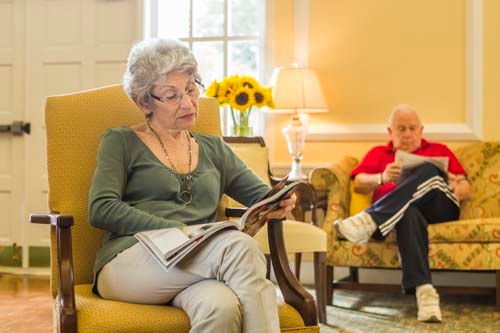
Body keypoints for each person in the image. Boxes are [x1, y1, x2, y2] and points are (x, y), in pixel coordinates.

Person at [88, 38, 296, 333]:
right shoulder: (120, 141)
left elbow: (261, 196)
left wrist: (280, 202)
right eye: (171, 96)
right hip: (130, 262)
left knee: (220, 306)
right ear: (144, 102)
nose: (187, 103)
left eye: (190, 89)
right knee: (240, 247)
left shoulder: (213, 148)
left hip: (196, 263)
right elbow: (101, 208)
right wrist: (177, 231)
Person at [334, 104, 470, 323]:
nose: (407, 134)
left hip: (440, 208)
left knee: (429, 170)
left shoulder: (440, 150)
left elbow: (465, 188)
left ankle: (370, 220)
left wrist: (452, 183)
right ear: (390, 132)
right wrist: (382, 177)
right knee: (408, 213)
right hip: (403, 215)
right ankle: (426, 295)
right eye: (401, 129)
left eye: (412, 128)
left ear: (421, 130)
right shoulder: (379, 154)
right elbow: (359, 183)